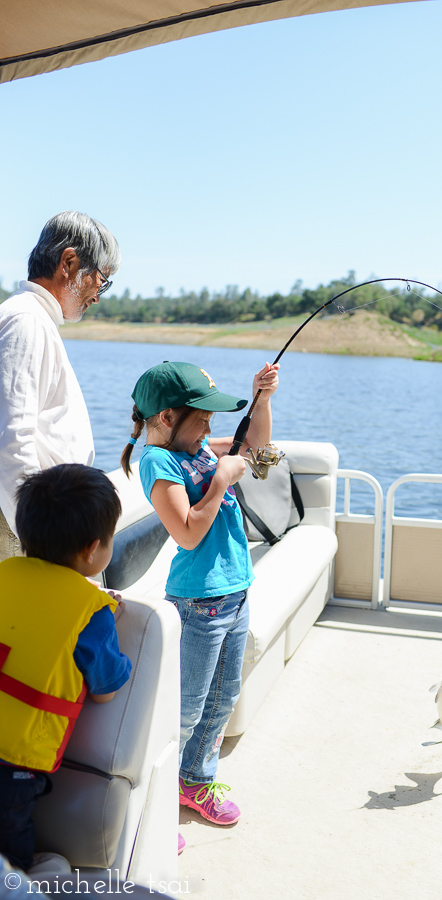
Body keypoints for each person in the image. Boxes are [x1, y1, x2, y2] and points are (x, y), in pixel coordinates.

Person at [121, 359, 279, 827]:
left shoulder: (198, 447)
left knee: (222, 700)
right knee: (185, 711)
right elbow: (188, 532)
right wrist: (221, 480)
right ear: (166, 418)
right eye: (202, 418)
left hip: (236, 593)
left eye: (212, 420)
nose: (209, 427)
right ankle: (151, 810)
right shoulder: (159, 461)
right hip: (198, 605)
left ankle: (194, 782)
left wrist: (262, 401)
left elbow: (257, 447)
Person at [0, 464, 132, 873]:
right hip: (14, 764)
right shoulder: (91, 613)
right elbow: (106, 688)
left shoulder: (4, 571)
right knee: (11, 843)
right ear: (93, 549)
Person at [0, 211, 120, 562]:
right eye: (101, 279)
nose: (98, 295)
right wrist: (44, 547)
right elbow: (11, 442)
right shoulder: (26, 321)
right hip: (24, 533)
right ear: (69, 261)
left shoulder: (29, 318)